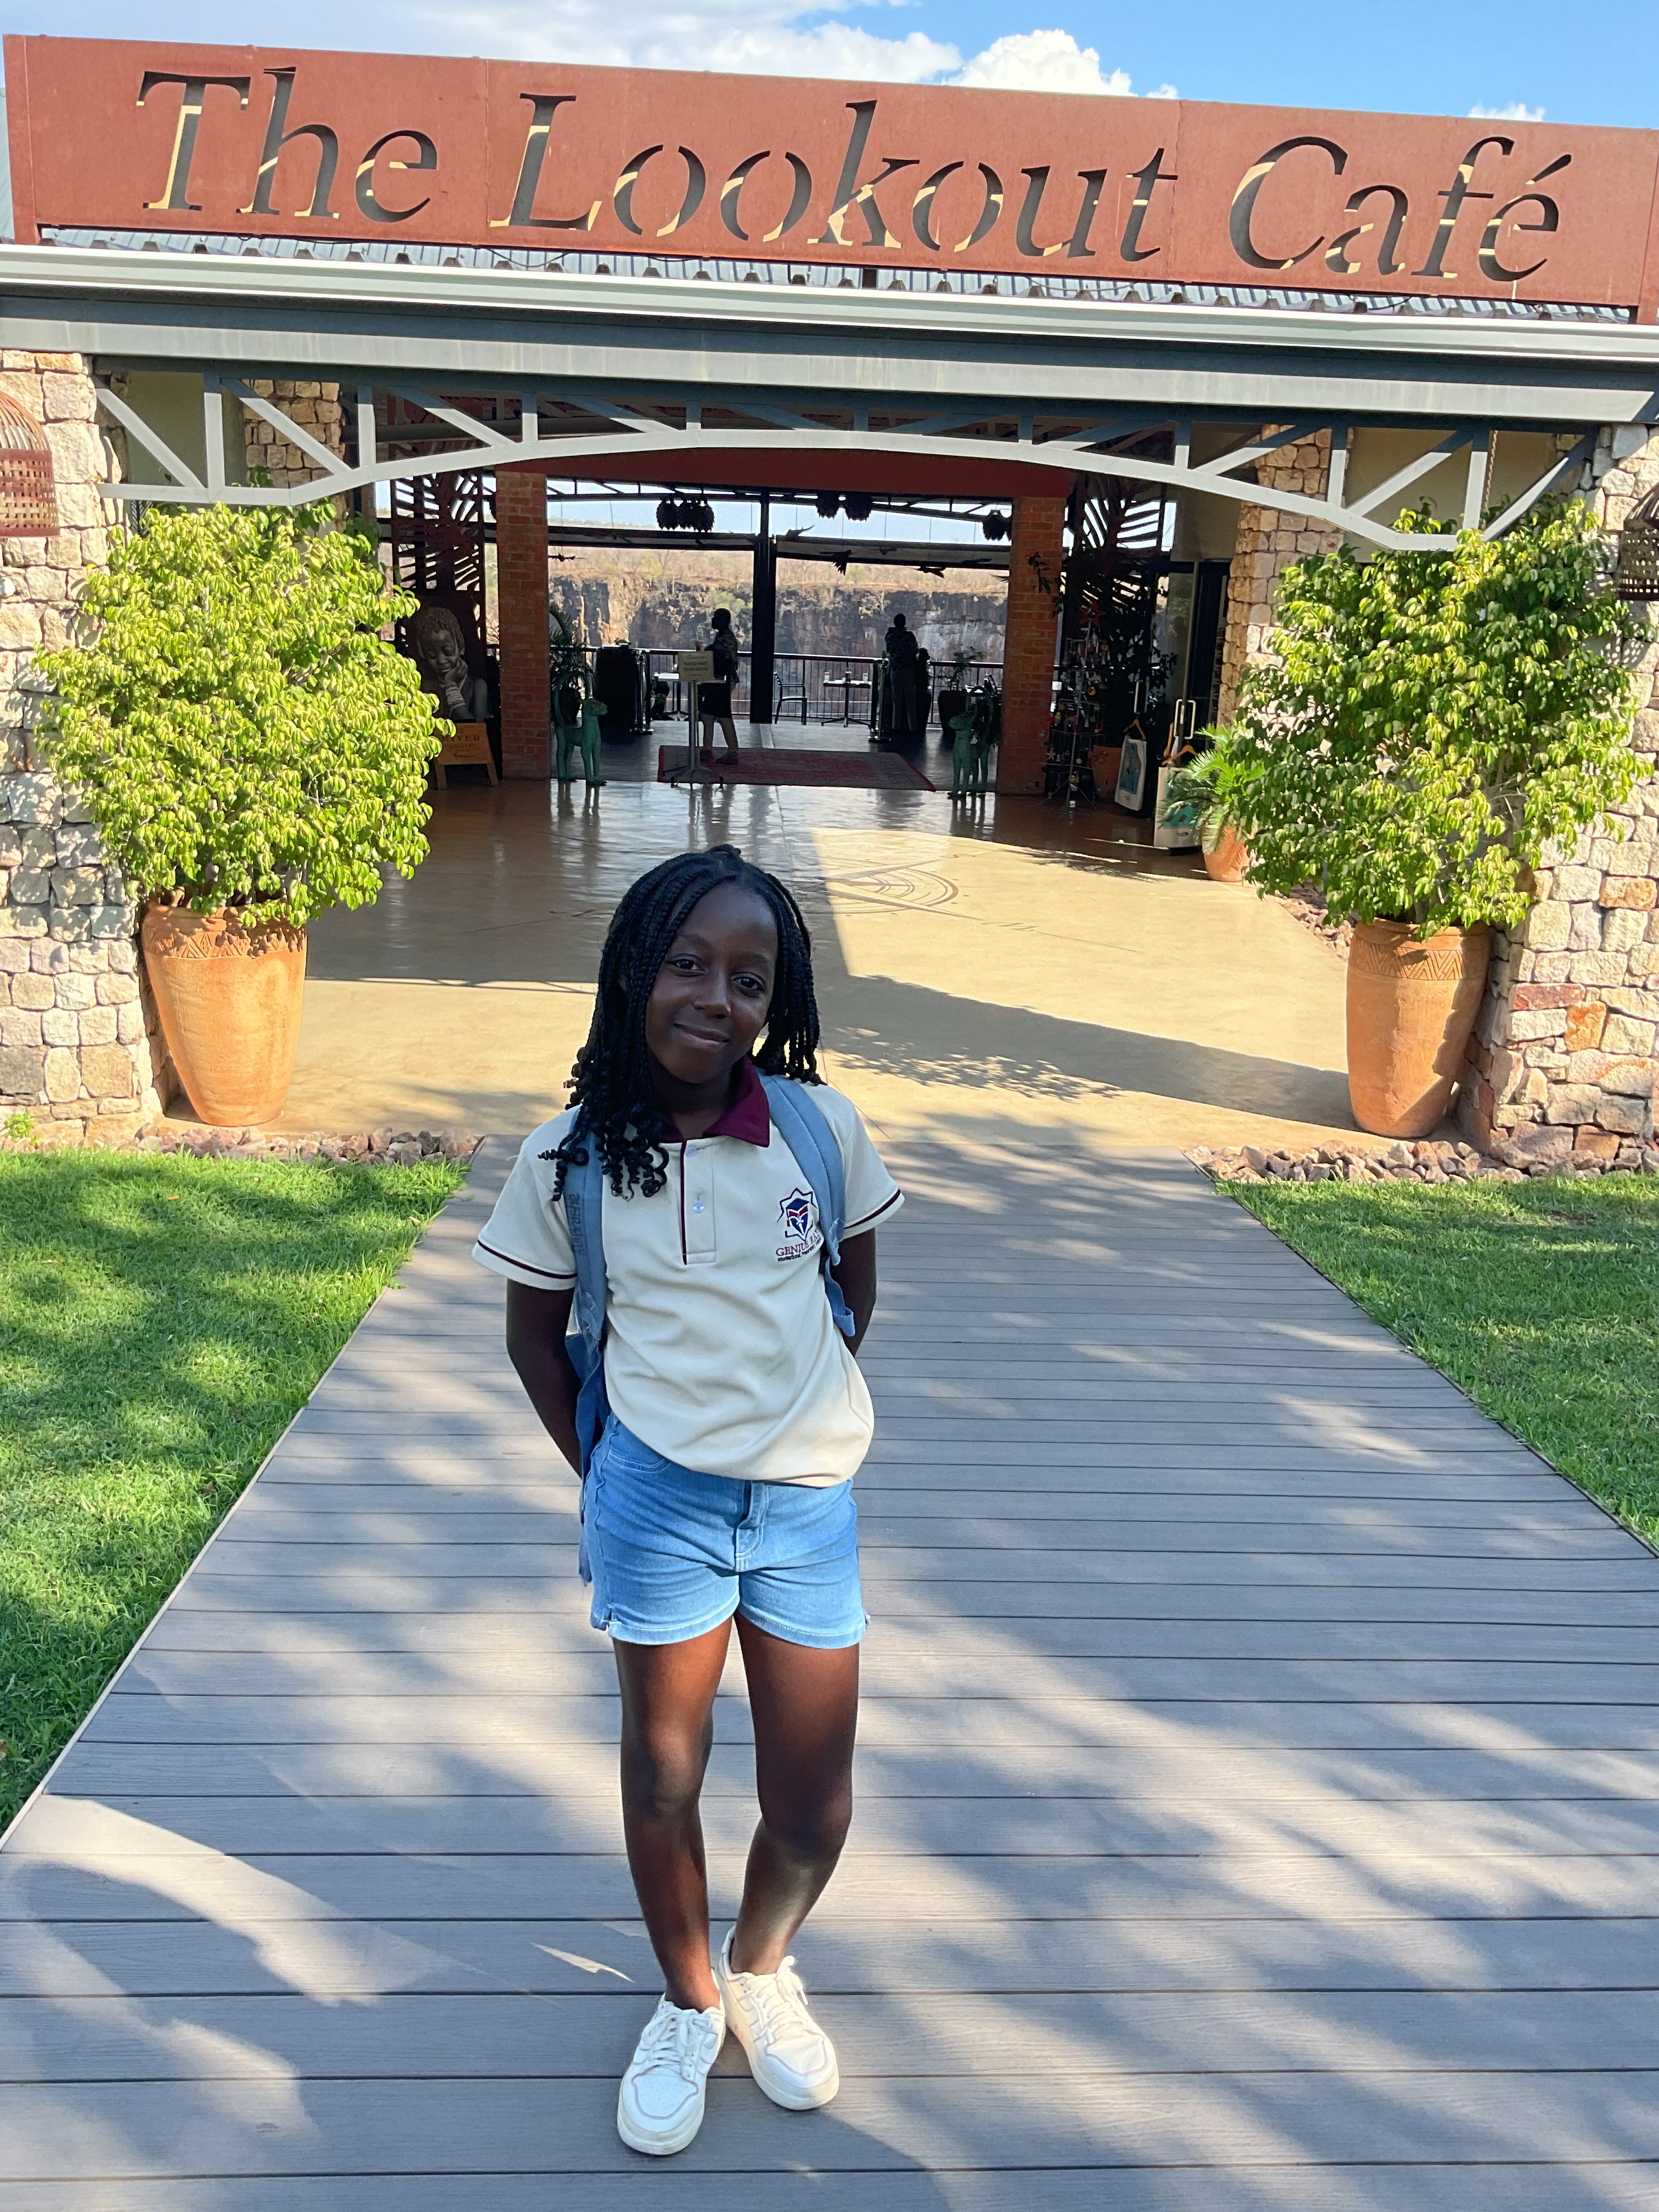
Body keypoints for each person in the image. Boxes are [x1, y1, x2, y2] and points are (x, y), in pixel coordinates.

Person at [473, 844, 903, 2159]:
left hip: (804, 1505)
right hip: (655, 1504)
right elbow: (535, 1340)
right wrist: (609, 1475)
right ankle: (686, 2001)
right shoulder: (566, 1160)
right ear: (632, 972)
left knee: (814, 1804)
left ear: (777, 1001)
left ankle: (761, 1969)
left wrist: (789, 1404)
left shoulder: (817, 1130)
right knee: (664, 1776)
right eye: (688, 965)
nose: (717, 998)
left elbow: (853, 1291)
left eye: (750, 979)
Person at [698, 607, 741, 765]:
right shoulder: (723, 637)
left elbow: (724, 662)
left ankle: (731, 751)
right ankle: (708, 748)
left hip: (722, 682)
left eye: (716, 617)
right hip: (720, 681)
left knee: (722, 716)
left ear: (724, 621)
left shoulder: (725, 639)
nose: (713, 620)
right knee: (709, 714)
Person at [883, 610, 919, 737]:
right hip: (908, 670)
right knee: (910, 700)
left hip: (895, 670)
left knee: (896, 701)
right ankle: (913, 728)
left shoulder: (891, 637)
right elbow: (916, 650)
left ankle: (895, 727)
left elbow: (889, 650)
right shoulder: (909, 636)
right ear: (904, 623)